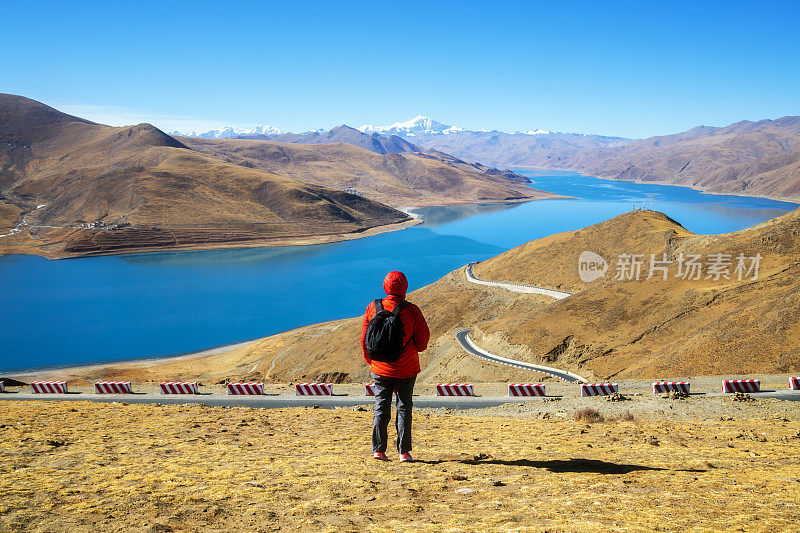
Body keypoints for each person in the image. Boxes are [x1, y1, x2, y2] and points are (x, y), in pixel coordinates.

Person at [361, 271, 430, 462]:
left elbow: (365, 341)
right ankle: (404, 452)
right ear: (405, 288)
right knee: (404, 408)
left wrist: (374, 362)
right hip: (406, 369)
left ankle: (378, 450)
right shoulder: (412, 311)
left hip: (380, 369)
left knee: (381, 406)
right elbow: (423, 343)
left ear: (385, 287)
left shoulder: (372, 308)